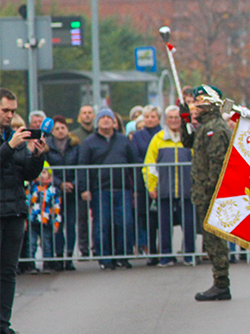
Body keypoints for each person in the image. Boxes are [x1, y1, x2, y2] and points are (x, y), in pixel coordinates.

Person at [0, 87, 47, 334]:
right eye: (5, 110)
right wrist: (9, 146)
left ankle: (3, 326)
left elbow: (27, 174)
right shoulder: (12, 141)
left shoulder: (14, 137)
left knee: (8, 270)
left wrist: (38, 156)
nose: (10, 115)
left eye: (13, 111)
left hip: (15, 210)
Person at [77, 108, 139, 270]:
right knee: (102, 225)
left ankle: (123, 256)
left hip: (122, 188)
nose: (105, 120)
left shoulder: (123, 140)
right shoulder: (89, 142)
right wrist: (84, 189)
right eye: (102, 117)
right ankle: (104, 258)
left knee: (125, 223)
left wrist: (136, 187)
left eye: (108, 118)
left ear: (114, 121)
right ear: (98, 122)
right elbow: (82, 166)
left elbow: (134, 164)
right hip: (100, 190)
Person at [192, 85, 232, 301]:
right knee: (210, 240)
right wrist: (183, 120)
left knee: (214, 240)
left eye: (201, 100)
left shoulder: (215, 128)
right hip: (204, 191)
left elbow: (217, 164)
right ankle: (219, 282)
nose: (197, 104)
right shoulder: (205, 126)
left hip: (210, 193)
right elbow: (187, 142)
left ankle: (221, 283)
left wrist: (210, 190)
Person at [144, 105, 195, 267]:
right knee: (164, 224)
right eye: (170, 118)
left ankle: (189, 255)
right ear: (166, 120)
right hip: (164, 189)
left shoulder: (189, 138)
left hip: (187, 188)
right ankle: (166, 255)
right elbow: (149, 165)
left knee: (188, 224)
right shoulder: (158, 139)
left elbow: (198, 163)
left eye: (177, 117)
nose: (174, 121)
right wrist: (152, 187)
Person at [45, 117, 80, 271]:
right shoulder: (47, 146)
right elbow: (46, 168)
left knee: (71, 225)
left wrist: (74, 184)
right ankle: (59, 255)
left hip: (71, 191)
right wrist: (59, 183)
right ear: (53, 131)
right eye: (57, 128)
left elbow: (81, 166)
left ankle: (69, 256)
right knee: (57, 224)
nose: (60, 131)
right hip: (55, 191)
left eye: (63, 128)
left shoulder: (75, 146)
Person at [132, 105, 162, 263]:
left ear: (158, 118)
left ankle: (165, 249)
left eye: (153, 117)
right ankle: (151, 251)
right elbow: (135, 156)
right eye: (147, 117)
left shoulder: (163, 134)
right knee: (148, 219)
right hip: (144, 181)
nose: (150, 120)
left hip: (163, 180)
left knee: (164, 217)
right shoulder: (137, 136)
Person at [27, 167, 61, 273]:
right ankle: (31, 264)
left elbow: (57, 207)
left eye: (44, 172)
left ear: (49, 175)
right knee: (31, 243)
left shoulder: (53, 190)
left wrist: (56, 222)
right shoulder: (32, 188)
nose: (41, 175)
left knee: (46, 243)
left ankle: (47, 263)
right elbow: (27, 203)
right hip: (33, 220)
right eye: (39, 172)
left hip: (46, 221)